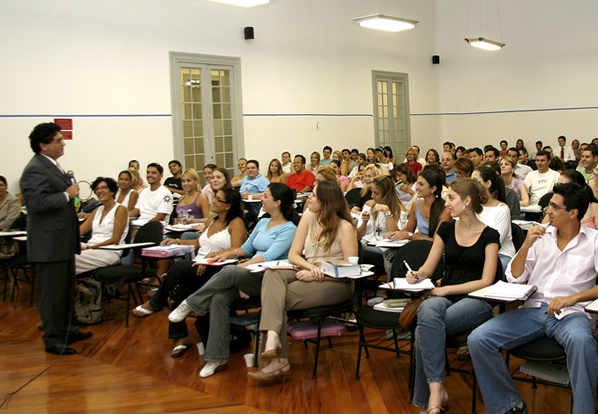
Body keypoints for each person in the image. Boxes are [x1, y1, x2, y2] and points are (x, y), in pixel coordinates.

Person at [468, 182, 598, 414]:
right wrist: (526, 245)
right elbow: (515, 277)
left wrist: (572, 299)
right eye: (549, 205)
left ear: (573, 213)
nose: (547, 210)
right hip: (533, 309)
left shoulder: (594, 241)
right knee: (479, 339)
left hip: (572, 313)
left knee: (583, 342)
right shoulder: (540, 235)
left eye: (554, 207)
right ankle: (509, 406)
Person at [168, 183, 299, 377]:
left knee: (230, 271)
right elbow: (245, 248)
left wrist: (240, 266)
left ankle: (191, 303)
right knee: (219, 298)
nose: (261, 198)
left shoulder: (289, 229)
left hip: (268, 279)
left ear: (277, 203)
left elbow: (268, 257)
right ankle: (216, 357)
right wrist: (228, 253)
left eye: (266, 196)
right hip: (250, 271)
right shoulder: (263, 222)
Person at [247, 181, 358, 380]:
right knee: (272, 274)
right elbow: (293, 255)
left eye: (314, 196)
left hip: (337, 282)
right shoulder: (308, 218)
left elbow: (351, 269)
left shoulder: (344, 227)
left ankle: (278, 361)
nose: (309, 197)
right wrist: (312, 268)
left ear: (326, 201)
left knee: (275, 297)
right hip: (311, 270)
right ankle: (272, 337)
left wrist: (319, 273)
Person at [406, 177, 499, 414]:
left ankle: (429, 398)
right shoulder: (446, 229)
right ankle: (437, 392)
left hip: (476, 299)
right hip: (444, 296)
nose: (446, 203)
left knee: (423, 329)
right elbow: (428, 268)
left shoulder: (490, 235)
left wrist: (446, 289)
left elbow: (486, 280)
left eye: (451, 198)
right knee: (427, 313)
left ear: (467, 201)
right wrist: (417, 275)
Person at [132, 187, 247, 355]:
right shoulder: (212, 221)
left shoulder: (236, 222)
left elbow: (237, 250)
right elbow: (198, 244)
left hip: (217, 270)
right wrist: (176, 241)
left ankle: (155, 302)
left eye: (218, 199)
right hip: (199, 266)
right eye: (214, 198)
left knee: (178, 266)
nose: (213, 201)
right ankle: (180, 339)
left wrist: (210, 258)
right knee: (178, 291)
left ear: (228, 205)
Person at [20, 122, 90, 355]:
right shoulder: (35, 168)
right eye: (58, 140)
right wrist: (65, 195)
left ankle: (69, 329)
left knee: (66, 290)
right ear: (43, 145)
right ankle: (52, 338)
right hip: (49, 244)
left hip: (61, 241)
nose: (63, 143)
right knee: (52, 294)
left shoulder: (52, 165)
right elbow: (36, 203)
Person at [76, 177, 128, 274]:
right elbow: (79, 231)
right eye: (97, 189)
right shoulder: (98, 210)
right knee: (61, 252)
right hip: (92, 247)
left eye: (103, 188)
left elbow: (115, 239)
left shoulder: (120, 209)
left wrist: (89, 248)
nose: (99, 191)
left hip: (108, 251)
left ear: (112, 191)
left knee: (70, 259)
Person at [357, 174, 407, 275]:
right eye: (372, 192)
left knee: (356, 248)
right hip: (366, 245)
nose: (372, 196)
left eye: (376, 193)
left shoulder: (399, 209)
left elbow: (396, 235)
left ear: (386, 194)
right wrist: (364, 223)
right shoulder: (368, 205)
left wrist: (387, 211)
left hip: (384, 251)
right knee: (355, 246)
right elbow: (359, 235)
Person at [384, 170, 451, 242]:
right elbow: (409, 230)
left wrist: (409, 235)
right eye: (417, 183)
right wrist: (394, 234)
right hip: (418, 245)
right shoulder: (416, 204)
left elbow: (436, 241)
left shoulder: (445, 210)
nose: (417, 187)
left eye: (421, 184)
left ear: (433, 188)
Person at [472, 166, 516, 270]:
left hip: (500, 255)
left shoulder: (502, 209)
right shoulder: (473, 206)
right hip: (474, 252)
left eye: (475, 181)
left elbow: (496, 242)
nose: (471, 185)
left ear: (488, 183)